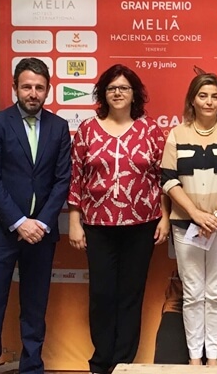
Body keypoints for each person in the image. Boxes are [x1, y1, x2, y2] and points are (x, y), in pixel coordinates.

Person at [67, 64, 169, 374]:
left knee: (131, 295)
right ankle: (101, 362)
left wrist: (165, 217)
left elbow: (163, 178)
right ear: (103, 94)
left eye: (124, 88)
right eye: (112, 88)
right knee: (101, 294)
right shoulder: (87, 129)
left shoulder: (150, 130)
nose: (118, 93)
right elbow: (76, 178)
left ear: (134, 94)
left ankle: (123, 363)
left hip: (142, 224)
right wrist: (74, 220)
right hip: (98, 226)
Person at [0, 57, 71, 374]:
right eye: (27, 86)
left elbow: (62, 180)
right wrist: (19, 222)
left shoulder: (59, 127)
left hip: (41, 233)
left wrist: (40, 223)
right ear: (15, 87)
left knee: (35, 308)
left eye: (39, 87)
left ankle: (31, 367)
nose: (33, 93)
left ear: (48, 90)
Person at [161, 73, 217, 366]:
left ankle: (212, 358)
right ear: (192, 100)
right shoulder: (177, 134)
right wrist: (196, 214)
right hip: (186, 225)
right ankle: (194, 359)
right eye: (203, 96)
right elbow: (168, 180)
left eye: (215, 96)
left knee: (216, 292)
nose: (209, 102)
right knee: (192, 293)